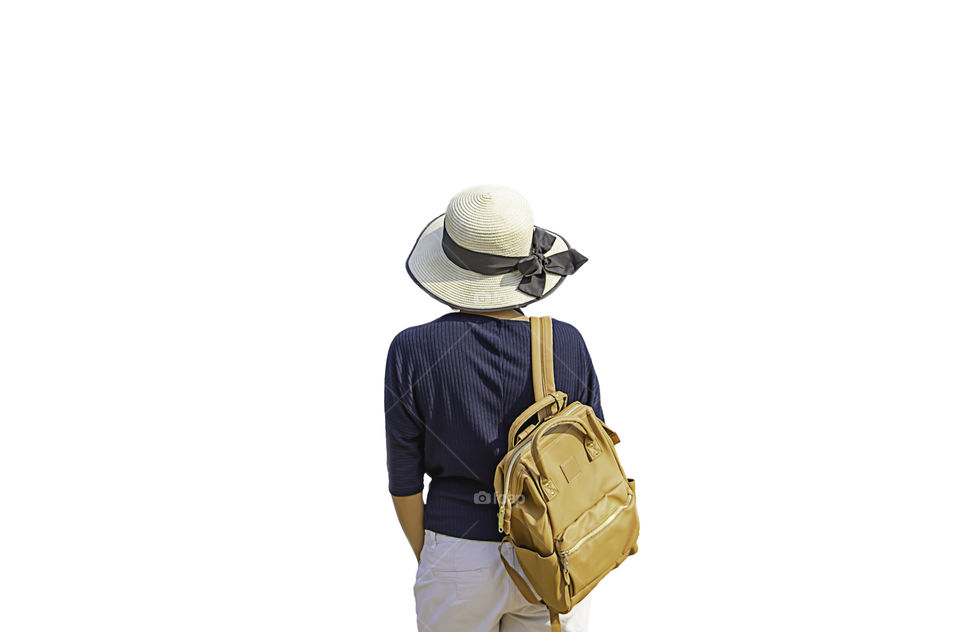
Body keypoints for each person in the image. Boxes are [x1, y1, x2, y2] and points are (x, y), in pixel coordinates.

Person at [385, 185, 600, 631]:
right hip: (551, 551)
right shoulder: (569, 343)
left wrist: (436, 557)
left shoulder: (411, 350)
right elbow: (590, 462)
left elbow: (404, 481)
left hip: (455, 549)